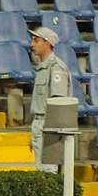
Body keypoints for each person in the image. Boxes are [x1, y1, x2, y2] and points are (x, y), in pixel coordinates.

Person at [28, 26, 74, 168]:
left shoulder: (56, 68)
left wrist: (51, 135)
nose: (32, 44)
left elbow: (58, 104)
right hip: (40, 124)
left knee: (47, 171)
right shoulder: (43, 67)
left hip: (48, 126)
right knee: (41, 171)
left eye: (36, 40)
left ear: (47, 43)